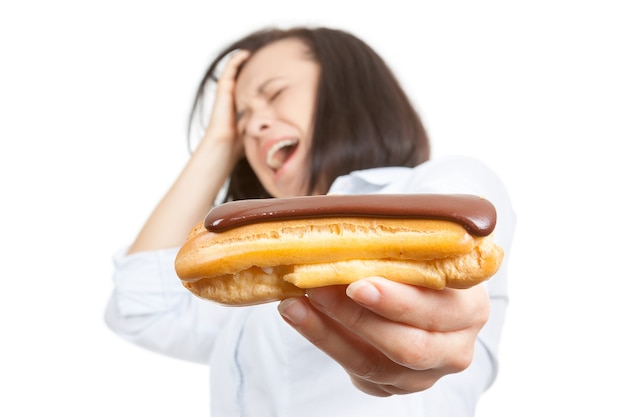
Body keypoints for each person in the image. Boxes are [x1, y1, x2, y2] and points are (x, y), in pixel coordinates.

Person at [105, 26, 516, 417]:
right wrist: (217, 143)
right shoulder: (256, 286)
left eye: (275, 93)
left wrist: (445, 329)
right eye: (242, 118)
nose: (254, 125)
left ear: (348, 90)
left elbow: (462, 257)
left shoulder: (444, 181)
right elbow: (141, 306)